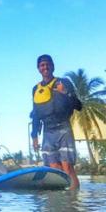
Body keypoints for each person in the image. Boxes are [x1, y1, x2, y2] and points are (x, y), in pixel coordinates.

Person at [30, 54, 82, 190]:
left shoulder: (63, 82)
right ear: (38, 69)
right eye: (42, 65)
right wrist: (34, 136)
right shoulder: (35, 89)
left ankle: (73, 202)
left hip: (63, 128)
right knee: (54, 170)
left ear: (52, 66)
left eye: (47, 64)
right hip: (47, 132)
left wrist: (65, 92)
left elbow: (79, 106)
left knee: (67, 167)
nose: (45, 67)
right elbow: (35, 114)